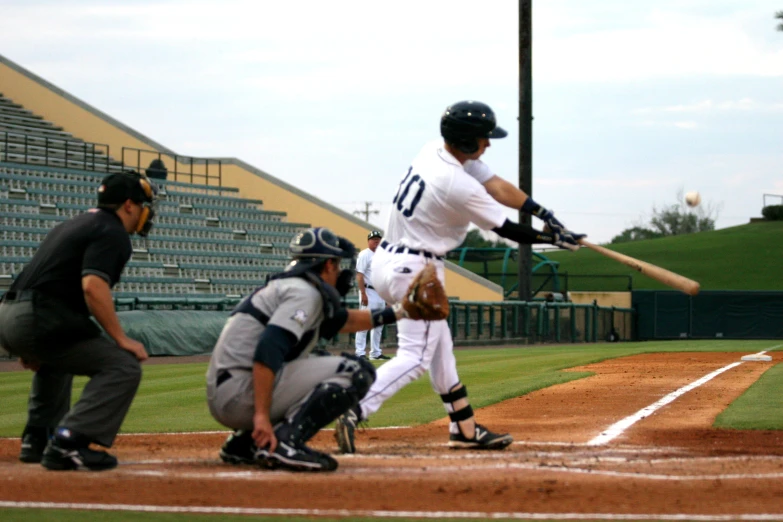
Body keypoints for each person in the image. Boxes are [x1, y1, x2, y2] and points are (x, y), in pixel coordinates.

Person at [334, 100, 585, 454]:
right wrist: (551, 239)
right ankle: (352, 408)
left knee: (440, 352)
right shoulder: (454, 184)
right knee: (415, 356)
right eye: (483, 138)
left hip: (392, 259)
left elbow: (496, 183)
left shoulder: (435, 151)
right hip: (415, 268)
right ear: (467, 141)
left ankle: (464, 429)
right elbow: (507, 228)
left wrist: (542, 212)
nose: (488, 144)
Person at [206, 227, 443, 472]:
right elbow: (268, 350)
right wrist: (262, 417)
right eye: (337, 264)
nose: (340, 271)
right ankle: (285, 443)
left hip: (226, 390)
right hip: (239, 394)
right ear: (328, 264)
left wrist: (400, 312)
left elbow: (344, 321)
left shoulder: (292, 286)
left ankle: (243, 444)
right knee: (356, 371)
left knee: (319, 360)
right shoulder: (303, 293)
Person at [0, 170, 158, 471]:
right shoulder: (112, 231)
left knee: (59, 359)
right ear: (128, 205)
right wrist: (121, 339)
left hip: (9, 314)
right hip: (38, 316)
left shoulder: (74, 223)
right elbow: (92, 287)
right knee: (122, 367)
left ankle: (38, 437)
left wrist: (26, 341)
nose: (145, 212)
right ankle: (69, 443)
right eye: (142, 205)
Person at [354, 230, 391, 361]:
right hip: (369, 291)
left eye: (378, 239)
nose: (376, 241)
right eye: (373, 239)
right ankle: (360, 353)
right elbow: (359, 275)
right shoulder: (365, 254)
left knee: (379, 324)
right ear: (368, 241)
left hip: (380, 292)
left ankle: (375, 352)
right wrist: (363, 293)